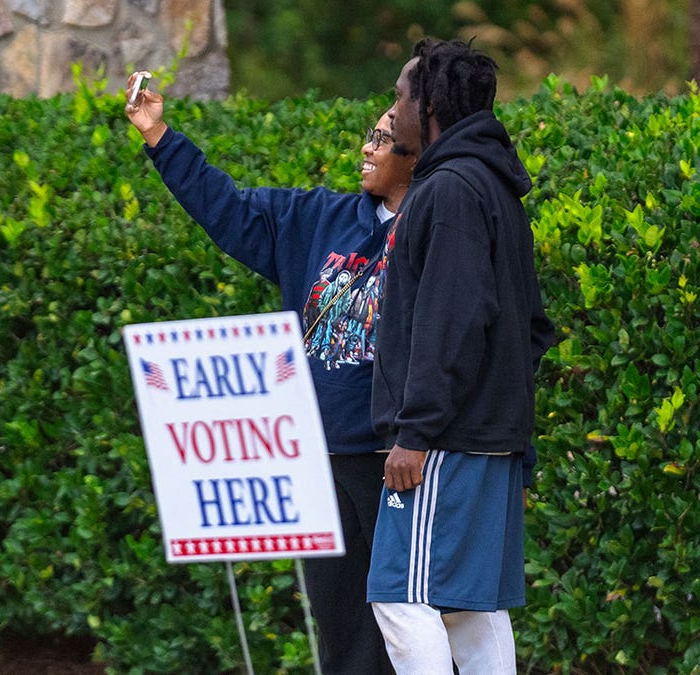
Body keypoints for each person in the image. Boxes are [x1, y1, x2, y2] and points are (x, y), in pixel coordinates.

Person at [125, 72, 413, 675]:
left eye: (382, 139)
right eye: (368, 135)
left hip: (392, 458)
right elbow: (227, 208)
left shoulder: (439, 231)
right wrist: (160, 136)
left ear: (417, 150)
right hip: (317, 455)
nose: (366, 147)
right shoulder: (318, 219)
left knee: (403, 621)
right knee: (336, 620)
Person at [366, 38, 556, 674]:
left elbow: (451, 322)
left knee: (400, 594)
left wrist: (414, 432)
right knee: (472, 610)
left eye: (400, 96)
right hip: (487, 437)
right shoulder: (498, 188)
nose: (393, 112)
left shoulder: (447, 190)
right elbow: (530, 326)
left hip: (443, 442)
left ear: (432, 104)